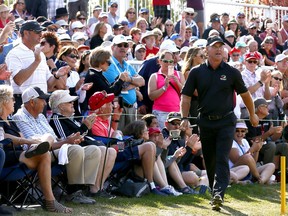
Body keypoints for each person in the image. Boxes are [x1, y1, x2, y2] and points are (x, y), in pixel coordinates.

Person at [180, 36, 259, 211]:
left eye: (221, 47)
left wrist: (253, 114)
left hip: (226, 121)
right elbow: (185, 96)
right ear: (206, 50)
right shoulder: (196, 72)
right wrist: (184, 118)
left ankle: (218, 194)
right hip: (205, 121)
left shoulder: (232, 72)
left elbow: (245, 95)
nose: (218, 49)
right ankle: (213, 190)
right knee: (210, 159)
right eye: (214, 46)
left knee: (222, 157)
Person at [12, 86, 100, 205]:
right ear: (32, 102)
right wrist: (66, 142)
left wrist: (69, 140)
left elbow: (55, 137)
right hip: (40, 154)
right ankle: (73, 192)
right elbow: (37, 146)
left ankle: (84, 189)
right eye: (42, 99)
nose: (45, 103)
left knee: (94, 150)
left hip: (55, 147)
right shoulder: (19, 117)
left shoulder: (42, 116)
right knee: (74, 150)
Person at [0, 85, 72, 213]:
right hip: (7, 155)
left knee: (46, 150)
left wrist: (30, 142)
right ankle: (51, 202)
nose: (14, 101)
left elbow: (19, 139)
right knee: (44, 151)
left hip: (21, 153)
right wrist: (28, 141)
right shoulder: (2, 121)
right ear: (4, 101)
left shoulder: (11, 122)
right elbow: (5, 136)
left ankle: (51, 201)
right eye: (12, 99)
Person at [49, 90, 117, 199]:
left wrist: (86, 127)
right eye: (69, 102)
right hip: (71, 152)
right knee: (102, 150)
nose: (73, 104)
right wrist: (85, 127)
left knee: (111, 151)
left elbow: (85, 135)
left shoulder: (72, 119)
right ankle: (90, 189)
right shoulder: (57, 118)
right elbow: (68, 139)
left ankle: (97, 188)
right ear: (60, 106)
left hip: (82, 148)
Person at [6, 20, 69, 111]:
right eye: (37, 32)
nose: (41, 34)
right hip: (24, 103)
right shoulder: (14, 54)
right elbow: (18, 80)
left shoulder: (41, 54)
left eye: (41, 31)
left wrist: (57, 75)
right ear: (26, 33)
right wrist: (36, 61)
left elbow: (49, 84)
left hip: (41, 100)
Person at [103, 35, 145, 130]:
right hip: (118, 108)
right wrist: (134, 84)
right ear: (113, 47)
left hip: (131, 108)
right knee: (118, 138)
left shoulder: (127, 65)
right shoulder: (108, 64)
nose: (123, 47)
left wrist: (129, 80)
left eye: (125, 45)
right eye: (119, 45)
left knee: (130, 139)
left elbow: (142, 81)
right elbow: (119, 86)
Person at [148, 50, 185, 129]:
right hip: (160, 112)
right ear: (160, 61)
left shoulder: (179, 74)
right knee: (162, 137)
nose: (168, 64)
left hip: (176, 112)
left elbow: (185, 93)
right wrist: (164, 87)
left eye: (171, 61)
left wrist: (177, 82)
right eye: (165, 61)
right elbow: (151, 96)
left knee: (176, 136)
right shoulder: (155, 76)